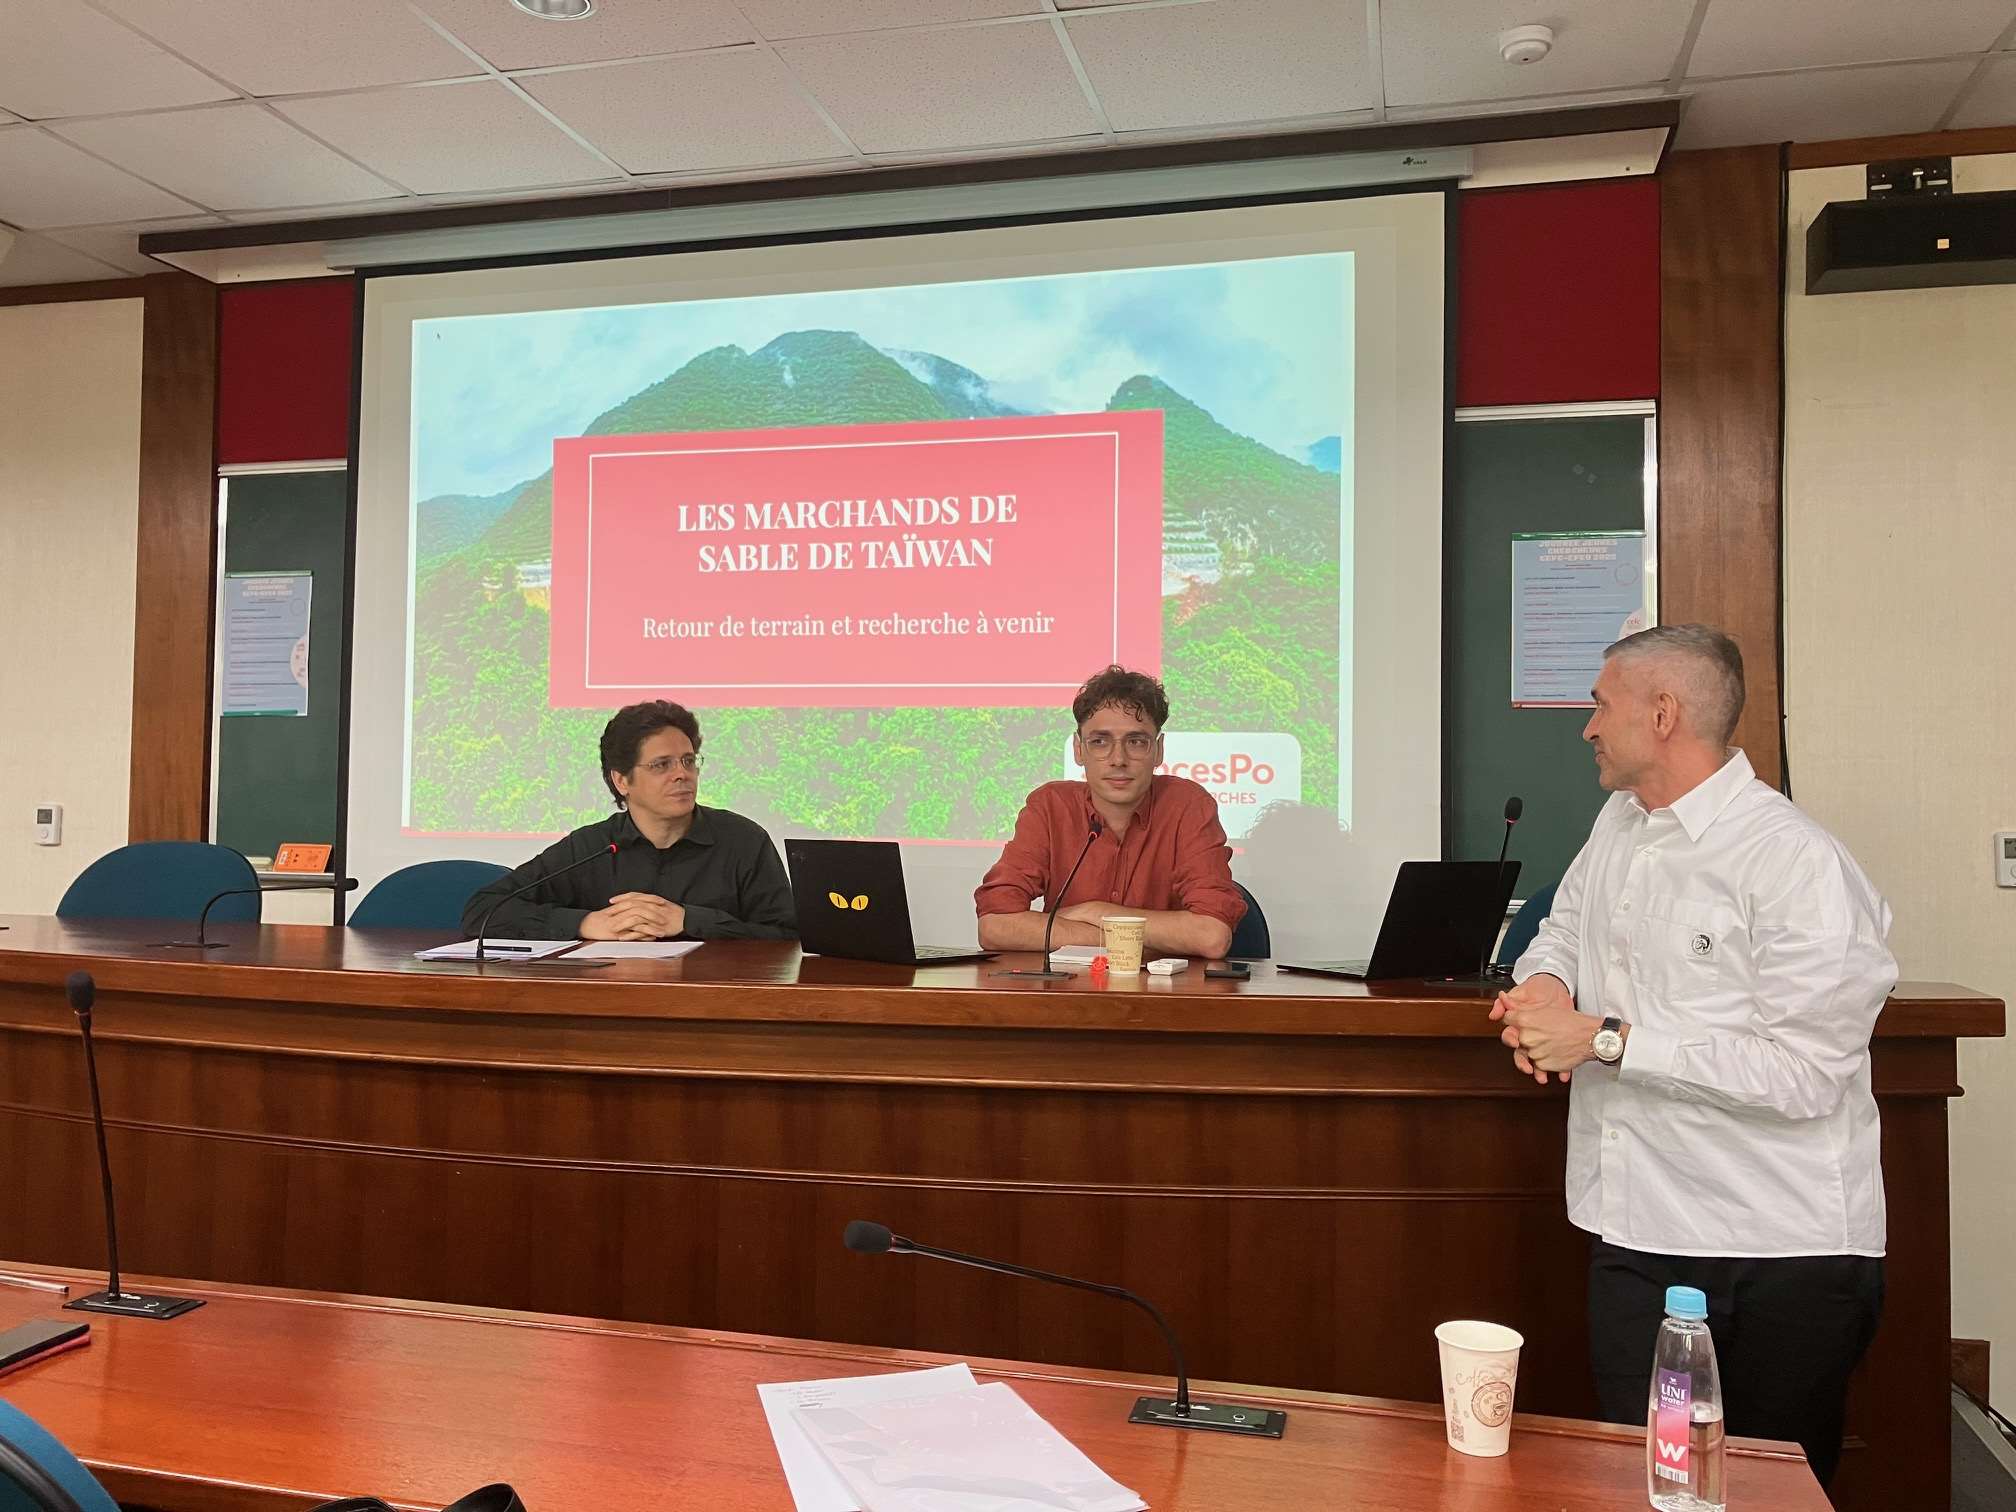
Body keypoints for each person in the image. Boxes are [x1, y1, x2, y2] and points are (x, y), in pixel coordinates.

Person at [1490, 624, 1894, 1488]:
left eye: (1601, 705)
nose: (1587, 728)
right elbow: (1559, 930)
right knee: (1647, 1485)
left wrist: (1605, 1040)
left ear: (1663, 713)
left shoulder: (1795, 862)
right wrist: (1551, 988)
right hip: (1636, 1233)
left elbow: (1806, 1073)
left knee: (1761, 1493)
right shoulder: (1622, 823)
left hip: (1777, 1251)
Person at [461, 700, 795, 941]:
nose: (682, 775)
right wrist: (586, 923)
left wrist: (689, 920)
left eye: (688, 761)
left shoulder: (743, 841)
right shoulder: (591, 847)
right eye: (661, 765)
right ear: (622, 781)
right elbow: (484, 910)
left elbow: (786, 934)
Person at [975, 665, 1245, 958]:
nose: (1118, 759)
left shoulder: (1188, 806)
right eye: (1100, 741)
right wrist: (1128, 940)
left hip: (1160, 998)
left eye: (1136, 742)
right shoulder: (1049, 807)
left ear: (1158, 750)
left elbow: (1211, 937)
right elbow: (994, 926)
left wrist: (1096, 912)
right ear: (1079, 749)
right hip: (1067, 995)